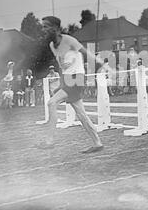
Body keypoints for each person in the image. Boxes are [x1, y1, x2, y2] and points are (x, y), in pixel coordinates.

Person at [38, 16, 104, 153]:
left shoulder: (69, 40)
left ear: (55, 28)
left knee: (51, 103)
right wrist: (61, 84)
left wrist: (105, 66)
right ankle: (97, 143)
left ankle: (49, 141)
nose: (42, 29)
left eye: (46, 26)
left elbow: (88, 54)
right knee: (81, 114)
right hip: (68, 80)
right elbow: (62, 67)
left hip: (77, 79)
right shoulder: (52, 45)